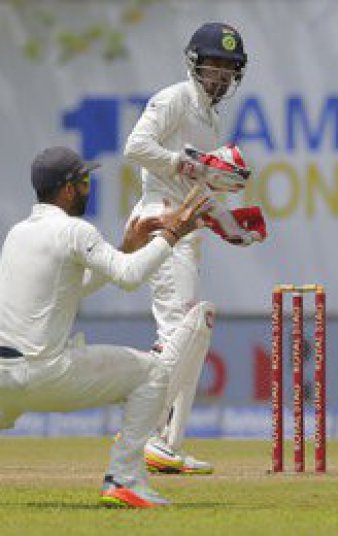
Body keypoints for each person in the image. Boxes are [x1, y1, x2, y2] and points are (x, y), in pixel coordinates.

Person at [0, 146, 211, 507]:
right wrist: (170, 236)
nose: (88, 187)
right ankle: (123, 479)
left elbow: (74, 287)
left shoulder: (18, 233)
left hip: (4, 378)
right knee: (153, 373)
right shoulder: (75, 230)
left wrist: (126, 248)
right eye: (84, 181)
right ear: (67, 189)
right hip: (44, 375)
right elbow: (129, 278)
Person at [124, 21, 265, 475]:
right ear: (194, 63)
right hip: (160, 219)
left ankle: (167, 443)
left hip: (188, 226)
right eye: (214, 65)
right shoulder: (174, 99)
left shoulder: (212, 116)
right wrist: (185, 165)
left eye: (229, 68)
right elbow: (135, 146)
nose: (221, 75)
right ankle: (143, 435)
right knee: (180, 330)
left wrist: (231, 226)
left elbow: (203, 186)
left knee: (190, 334)